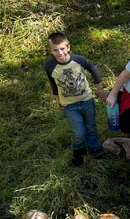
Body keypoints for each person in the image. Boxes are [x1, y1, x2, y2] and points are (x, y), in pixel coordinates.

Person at [43, 32, 107, 166]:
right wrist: (57, 98)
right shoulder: (49, 66)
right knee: (79, 131)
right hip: (69, 105)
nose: (60, 52)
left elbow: (93, 69)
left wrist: (99, 88)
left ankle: (94, 148)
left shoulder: (79, 60)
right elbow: (53, 82)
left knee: (91, 127)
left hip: (86, 101)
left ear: (68, 47)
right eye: (55, 50)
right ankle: (78, 150)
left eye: (62, 48)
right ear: (50, 51)